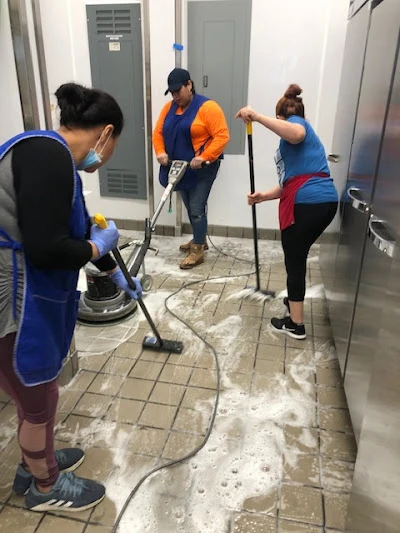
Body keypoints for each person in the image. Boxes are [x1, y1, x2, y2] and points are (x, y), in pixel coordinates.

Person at [0, 83, 142, 512]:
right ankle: (44, 486)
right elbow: (47, 248)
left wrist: (115, 273)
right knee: (38, 398)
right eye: (115, 145)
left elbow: (73, 233)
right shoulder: (49, 159)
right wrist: (98, 246)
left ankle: (33, 461)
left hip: (26, 291)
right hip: (13, 300)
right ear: (106, 133)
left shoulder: (50, 154)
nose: (108, 155)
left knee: (37, 392)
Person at [236, 84, 338, 340]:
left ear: (280, 117)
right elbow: (290, 182)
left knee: (294, 260)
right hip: (322, 201)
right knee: (296, 256)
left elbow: (296, 133)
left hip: (308, 203)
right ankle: (295, 302)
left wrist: (257, 117)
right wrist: (263, 196)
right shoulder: (301, 142)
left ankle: (296, 324)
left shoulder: (298, 125)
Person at [153, 68, 230, 269]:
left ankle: (198, 250)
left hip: (203, 168)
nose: (175, 96)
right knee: (189, 205)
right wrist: (160, 152)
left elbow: (222, 136)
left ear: (189, 85)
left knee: (196, 208)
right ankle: (199, 238)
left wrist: (204, 157)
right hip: (180, 167)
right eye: (172, 92)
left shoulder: (208, 107)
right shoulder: (169, 108)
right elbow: (158, 132)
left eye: (178, 91)